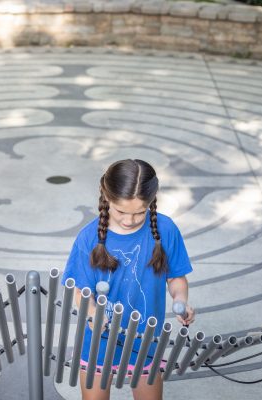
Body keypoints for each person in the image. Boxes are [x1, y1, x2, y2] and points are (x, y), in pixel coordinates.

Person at [62, 159, 195, 400]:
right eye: (121, 211)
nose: (130, 220)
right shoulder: (88, 238)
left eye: (140, 212)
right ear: (106, 196)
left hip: (144, 340)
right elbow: (80, 291)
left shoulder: (165, 230)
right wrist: (92, 312)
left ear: (151, 201)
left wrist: (181, 299)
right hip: (98, 342)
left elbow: (176, 277)